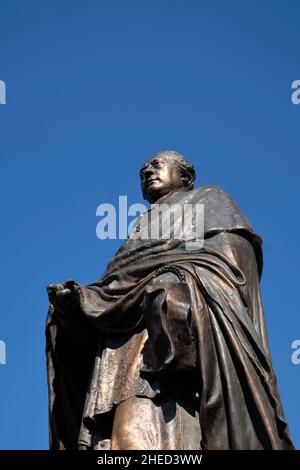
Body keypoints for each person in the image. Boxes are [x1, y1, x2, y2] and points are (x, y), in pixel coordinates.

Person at [46, 150, 294, 450]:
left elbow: (233, 263)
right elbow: (118, 288)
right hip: (123, 354)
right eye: (142, 171)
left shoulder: (209, 200)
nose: (148, 171)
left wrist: (178, 283)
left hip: (177, 351)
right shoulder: (140, 227)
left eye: (156, 165)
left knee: (141, 432)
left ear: (185, 176)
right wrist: (79, 301)